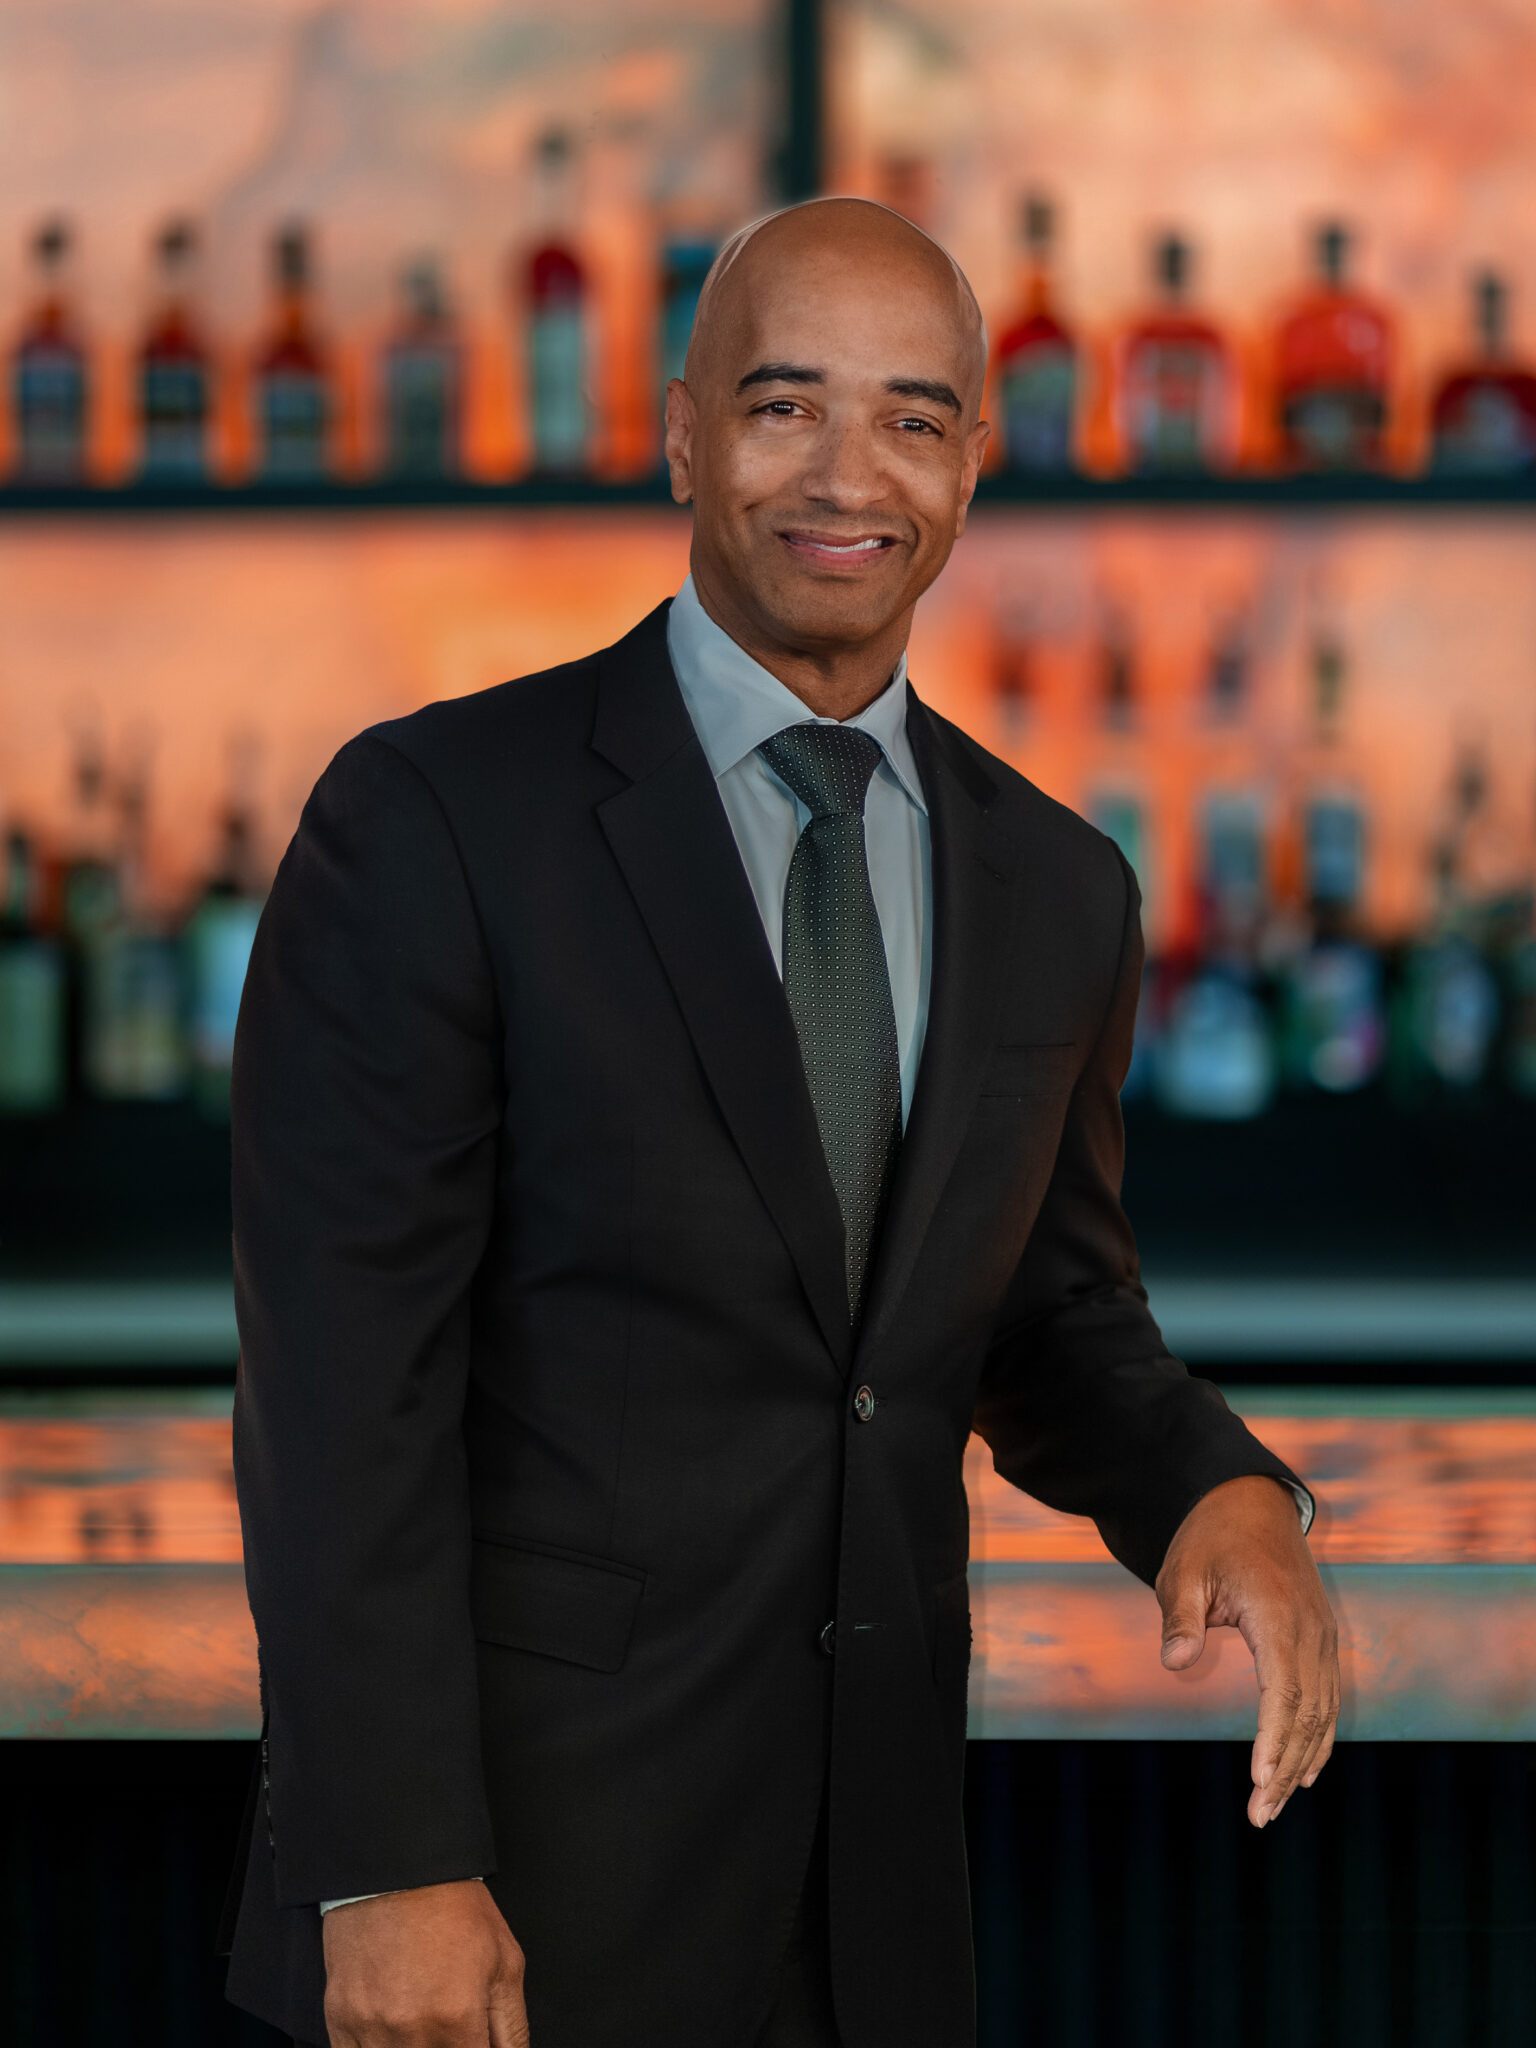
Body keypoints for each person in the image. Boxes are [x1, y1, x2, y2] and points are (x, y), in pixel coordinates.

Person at [215, 196, 1337, 2048]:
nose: (847, 474)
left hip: (873, 1907)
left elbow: (1045, 1312)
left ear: (973, 462)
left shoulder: (1059, 885)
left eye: (911, 417)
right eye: (783, 403)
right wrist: (387, 1862)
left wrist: (1220, 1491)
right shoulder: (433, 818)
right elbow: (342, 1392)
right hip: (507, 1903)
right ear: (682, 434)